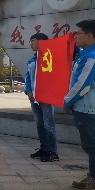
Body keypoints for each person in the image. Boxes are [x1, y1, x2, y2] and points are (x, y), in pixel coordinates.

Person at [64, 20, 95, 190]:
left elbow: (83, 84)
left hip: (87, 108)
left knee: (93, 147)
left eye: (77, 34)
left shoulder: (92, 57)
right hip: (88, 107)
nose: (75, 37)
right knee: (92, 146)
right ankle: (93, 176)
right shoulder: (88, 53)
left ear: (89, 36)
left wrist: (67, 101)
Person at [25, 33, 59, 162]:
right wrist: (28, 91)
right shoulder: (31, 61)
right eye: (30, 41)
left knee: (48, 125)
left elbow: (55, 79)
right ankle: (44, 148)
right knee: (40, 124)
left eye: (33, 41)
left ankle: (52, 151)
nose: (31, 44)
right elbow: (28, 78)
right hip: (34, 98)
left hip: (46, 97)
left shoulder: (50, 59)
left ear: (41, 42)